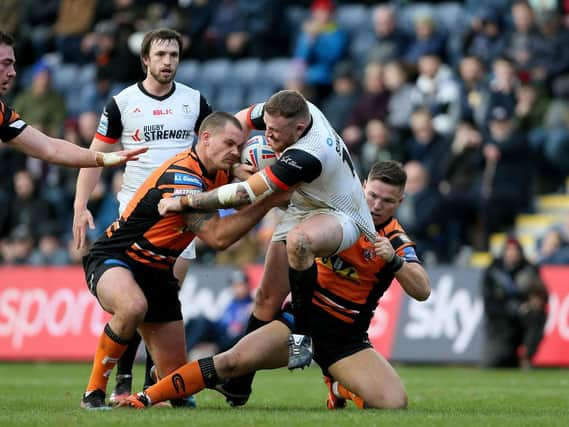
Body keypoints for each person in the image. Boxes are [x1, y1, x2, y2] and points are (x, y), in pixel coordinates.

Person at [122, 160, 431, 410]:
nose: (376, 205)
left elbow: (422, 290)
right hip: (299, 324)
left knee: (394, 403)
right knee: (231, 361)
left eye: (388, 201)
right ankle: (147, 397)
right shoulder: (335, 212)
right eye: (372, 195)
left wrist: (395, 262)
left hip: (345, 337)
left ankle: (338, 386)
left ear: (401, 201)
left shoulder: (394, 239)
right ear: (362, 185)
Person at [159, 89, 377, 404]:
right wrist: (230, 156)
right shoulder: (290, 110)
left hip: (342, 215)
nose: (269, 135)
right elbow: (242, 121)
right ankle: (238, 385)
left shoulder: (308, 153)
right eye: (268, 128)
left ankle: (301, 336)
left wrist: (185, 201)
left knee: (300, 243)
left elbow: (245, 195)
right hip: (305, 203)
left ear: (299, 130)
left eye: (275, 132)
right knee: (264, 300)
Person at [79, 111, 289, 410]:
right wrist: (268, 200)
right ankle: (94, 392)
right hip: (117, 257)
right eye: (229, 143)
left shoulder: (218, 171)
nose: (235, 152)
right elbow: (217, 238)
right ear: (205, 138)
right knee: (132, 306)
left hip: (159, 274)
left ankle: (157, 373)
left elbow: (247, 184)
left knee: (179, 391)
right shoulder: (182, 176)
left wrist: (268, 181)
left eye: (239, 146)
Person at [71, 28, 214, 406]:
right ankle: (121, 376)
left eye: (174, 55)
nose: (168, 62)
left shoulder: (195, 102)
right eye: (161, 55)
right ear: (145, 60)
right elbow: (95, 155)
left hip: (182, 219)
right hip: (136, 217)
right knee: (132, 303)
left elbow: (214, 150)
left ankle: (158, 381)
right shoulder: (123, 103)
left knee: (163, 298)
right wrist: (80, 203)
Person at [0, 31, 146, 168]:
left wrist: (103, 157)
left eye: (12, 64)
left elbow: (50, 148)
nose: (13, 73)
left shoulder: (2, 114)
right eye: (6, 63)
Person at [481, 236, 548, 369]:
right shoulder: (493, 271)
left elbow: (543, 295)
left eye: (515, 250)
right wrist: (515, 308)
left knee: (537, 315)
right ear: (504, 252)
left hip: (524, 320)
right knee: (493, 362)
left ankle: (527, 356)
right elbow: (489, 305)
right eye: (509, 250)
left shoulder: (529, 269)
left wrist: (536, 300)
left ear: (520, 252)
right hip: (502, 324)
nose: (512, 253)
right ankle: (510, 356)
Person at [184, 269, 253, 356]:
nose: (237, 289)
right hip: (219, 331)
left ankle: (185, 353)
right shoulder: (230, 301)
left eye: (240, 285)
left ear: (247, 285)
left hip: (229, 338)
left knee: (202, 323)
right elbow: (219, 320)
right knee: (196, 320)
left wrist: (218, 346)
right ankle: (181, 349)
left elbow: (241, 331)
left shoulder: (251, 304)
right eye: (234, 286)